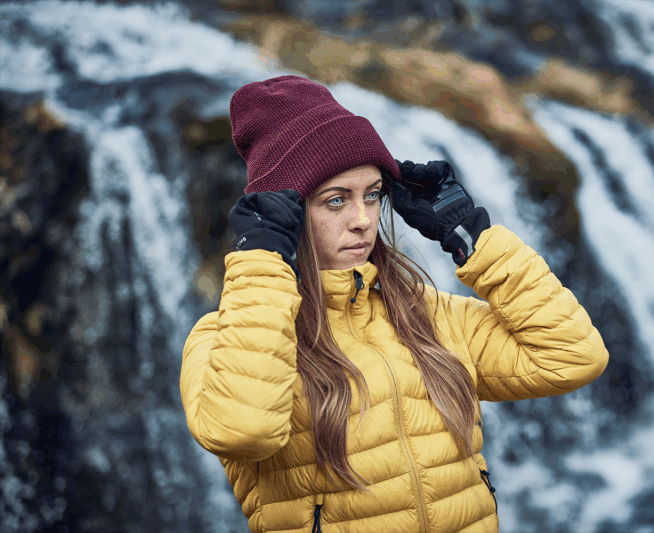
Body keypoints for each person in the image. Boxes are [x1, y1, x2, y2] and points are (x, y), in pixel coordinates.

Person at [180, 75, 608, 533]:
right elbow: (242, 428)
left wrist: (471, 236)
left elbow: (573, 355)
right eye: (335, 201)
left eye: (372, 194)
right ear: (285, 210)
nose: (363, 221)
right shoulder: (224, 338)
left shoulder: (428, 316)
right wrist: (264, 258)